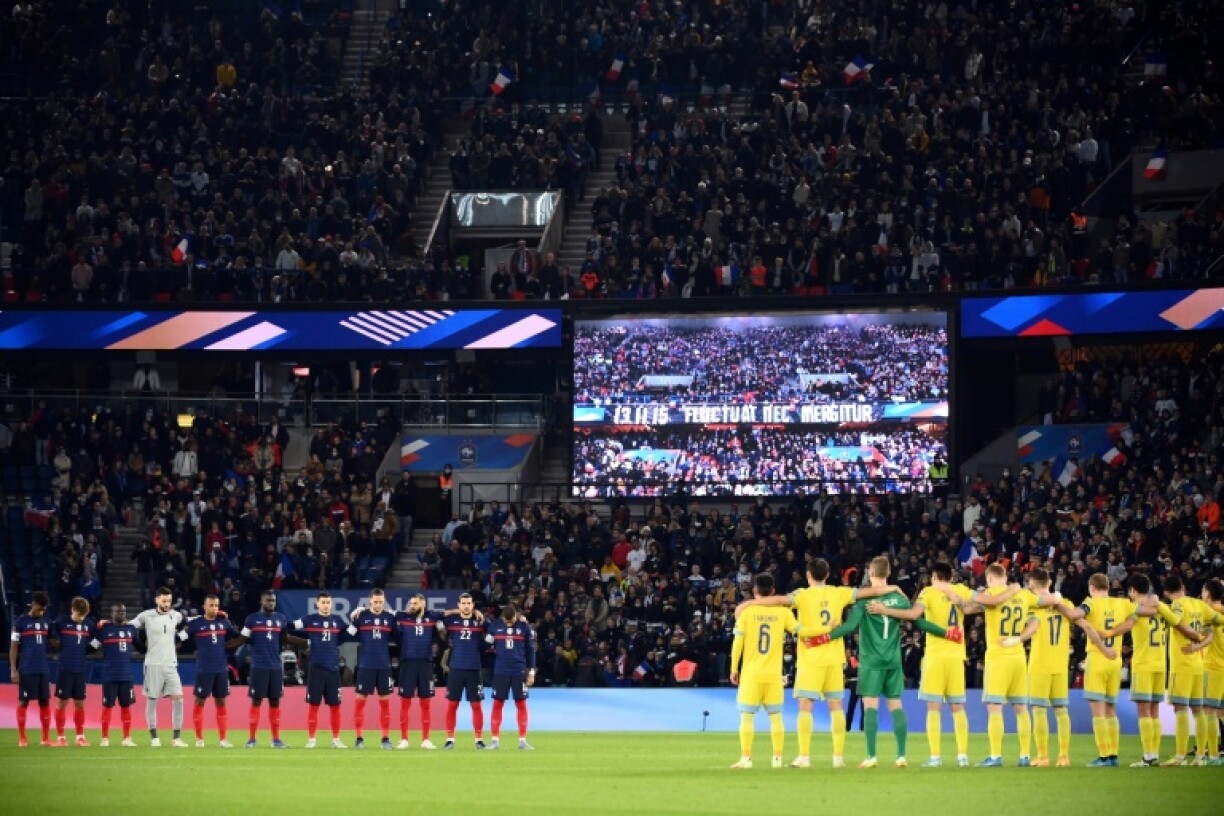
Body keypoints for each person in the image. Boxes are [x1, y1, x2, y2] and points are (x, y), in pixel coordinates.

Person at [734, 557, 895, 768]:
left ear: (808, 575)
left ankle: (804, 756)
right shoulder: (839, 592)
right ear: (827, 574)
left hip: (810, 659)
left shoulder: (801, 595)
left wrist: (748, 603)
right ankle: (838, 758)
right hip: (834, 658)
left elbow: (779, 600)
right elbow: (871, 592)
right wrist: (894, 588)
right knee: (836, 707)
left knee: (805, 707)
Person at [811, 556, 957, 768]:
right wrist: (946, 633)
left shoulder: (865, 600)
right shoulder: (899, 599)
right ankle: (901, 756)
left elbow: (849, 627)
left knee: (870, 706)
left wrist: (823, 638)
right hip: (893, 660)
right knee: (895, 705)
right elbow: (918, 621)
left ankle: (871, 756)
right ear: (888, 573)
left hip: (871, 661)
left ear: (871, 573)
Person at [1049, 572, 1137, 766]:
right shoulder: (1122, 603)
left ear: (1091, 588)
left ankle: (1104, 756)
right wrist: (1112, 632)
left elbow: (1074, 615)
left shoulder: (1091, 603)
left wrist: (1058, 604)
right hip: (1115, 660)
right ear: (1108, 587)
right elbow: (1132, 622)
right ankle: (1113, 755)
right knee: (1111, 709)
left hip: (1098, 658)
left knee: (1098, 711)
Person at [910, 562, 980, 767]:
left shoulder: (928, 592)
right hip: (957, 656)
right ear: (950, 577)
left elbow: (915, 614)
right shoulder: (960, 590)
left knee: (934, 707)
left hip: (935, 656)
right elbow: (981, 604)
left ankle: (935, 757)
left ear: (934, 577)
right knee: (958, 707)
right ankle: (963, 756)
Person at [728, 573, 799, 769]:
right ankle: (777, 759)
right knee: (776, 717)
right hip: (774, 675)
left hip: (751, 674)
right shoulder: (783, 613)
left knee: (746, 717)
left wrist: (734, 668)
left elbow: (737, 644)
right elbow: (800, 632)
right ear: (773, 591)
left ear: (754, 591)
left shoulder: (746, 613)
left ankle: (746, 759)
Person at [1122, 574, 1188, 766]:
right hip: (1161, 665)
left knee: (1144, 711)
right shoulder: (1161, 608)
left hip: (1143, 665)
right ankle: (1154, 754)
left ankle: (1148, 756)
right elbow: (1175, 620)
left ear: (1133, 590)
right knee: (1154, 711)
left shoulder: (1134, 608)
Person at [234, 589, 305, 748]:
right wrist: (224, 645)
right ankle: (252, 740)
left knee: (275, 702)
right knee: (256, 701)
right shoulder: (252, 619)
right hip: (258, 666)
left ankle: (276, 740)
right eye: (268, 600)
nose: (271, 603)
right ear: (262, 601)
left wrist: (306, 642)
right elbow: (242, 639)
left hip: (275, 667)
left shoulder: (281, 618)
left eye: (273, 600)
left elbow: (287, 637)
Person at [1160, 575, 1217, 765]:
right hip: (1198, 665)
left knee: (1180, 709)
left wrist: (1162, 609)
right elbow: (1213, 627)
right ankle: (1200, 756)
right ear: (1183, 586)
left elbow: (1175, 620)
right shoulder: (1200, 605)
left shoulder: (1177, 605)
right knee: (1198, 711)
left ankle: (1180, 756)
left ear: (1166, 593)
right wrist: (1198, 645)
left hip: (1182, 665)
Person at [179, 594, 239, 747]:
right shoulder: (196, 624)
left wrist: (232, 643)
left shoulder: (224, 623)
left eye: (216, 605)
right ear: (204, 607)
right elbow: (181, 638)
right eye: (211, 605)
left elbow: (238, 637)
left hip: (221, 669)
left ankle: (223, 739)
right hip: (204, 669)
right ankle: (199, 739)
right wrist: (179, 629)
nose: (214, 608)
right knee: (200, 700)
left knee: (221, 701)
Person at [132, 586, 188, 747]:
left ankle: (176, 738)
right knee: (152, 701)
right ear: (157, 600)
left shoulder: (175, 615)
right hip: (153, 664)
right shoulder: (146, 616)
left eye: (169, 601)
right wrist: (108, 623)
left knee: (179, 700)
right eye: (164, 601)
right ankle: (154, 738)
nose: (167, 604)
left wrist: (216, 615)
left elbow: (190, 622)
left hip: (171, 664)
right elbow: (128, 626)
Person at [293, 591, 348, 748]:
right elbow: (291, 626)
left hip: (333, 669)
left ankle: (336, 739)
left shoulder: (338, 621)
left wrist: (357, 615)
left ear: (331, 604)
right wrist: (304, 642)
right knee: (314, 705)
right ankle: (312, 739)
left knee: (335, 705)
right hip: (316, 668)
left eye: (328, 603)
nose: (325, 605)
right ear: (317, 604)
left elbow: (350, 633)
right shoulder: (309, 619)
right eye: (323, 603)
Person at [348, 588, 397, 748]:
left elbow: (400, 635)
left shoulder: (390, 617)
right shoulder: (361, 617)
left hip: (384, 666)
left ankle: (385, 739)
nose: (378, 604)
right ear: (369, 601)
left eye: (381, 602)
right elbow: (348, 634)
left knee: (385, 704)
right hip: (365, 666)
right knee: (360, 703)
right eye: (375, 601)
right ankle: (359, 738)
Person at [485, 603, 536, 750]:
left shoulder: (524, 627)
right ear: (502, 617)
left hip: (519, 671)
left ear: (516, 616)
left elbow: (531, 651)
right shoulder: (494, 626)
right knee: (497, 704)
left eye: (511, 620)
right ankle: (494, 740)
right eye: (506, 621)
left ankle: (522, 740)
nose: (509, 623)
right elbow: (485, 646)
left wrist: (531, 672)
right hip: (501, 671)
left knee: (521, 704)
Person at [440, 592, 487, 749]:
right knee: (452, 705)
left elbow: (497, 626)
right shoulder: (451, 620)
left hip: (474, 668)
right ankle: (450, 739)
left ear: (473, 605)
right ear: (459, 605)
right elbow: (435, 616)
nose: (466, 606)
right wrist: (455, 611)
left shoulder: (480, 622)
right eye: (463, 603)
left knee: (476, 705)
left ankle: (478, 739)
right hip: (456, 668)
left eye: (469, 604)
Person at [394, 593, 440, 749]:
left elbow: (449, 613)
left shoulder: (432, 617)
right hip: (408, 664)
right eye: (411, 603)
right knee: (405, 702)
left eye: (415, 603)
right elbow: (382, 612)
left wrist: (475, 611)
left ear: (423, 604)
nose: (412, 606)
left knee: (425, 703)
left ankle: (426, 739)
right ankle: (404, 739)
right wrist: (360, 609)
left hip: (425, 664)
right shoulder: (402, 617)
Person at [9, 591, 54, 747]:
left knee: (45, 702)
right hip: (27, 668)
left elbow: (53, 641)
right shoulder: (20, 622)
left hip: (43, 668)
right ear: (33, 604)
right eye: (39, 609)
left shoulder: (47, 621)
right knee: (23, 702)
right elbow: (14, 646)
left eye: (43, 610)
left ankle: (45, 739)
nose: (41, 612)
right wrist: (13, 669)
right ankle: (22, 738)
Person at [51, 596, 94, 746]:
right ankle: (61, 737)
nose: (81, 618)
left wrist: (88, 649)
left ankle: (80, 737)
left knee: (80, 704)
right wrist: (54, 642)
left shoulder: (89, 624)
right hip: (65, 669)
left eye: (84, 615)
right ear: (72, 609)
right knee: (62, 703)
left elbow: (98, 637)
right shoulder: (61, 622)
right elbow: (50, 631)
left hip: (80, 670)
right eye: (79, 614)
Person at [94, 604, 138, 746]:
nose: (121, 614)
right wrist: (96, 627)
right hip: (110, 676)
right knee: (107, 707)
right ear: (112, 614)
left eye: (123, 611)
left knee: (126, 707)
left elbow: (141, 647)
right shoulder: (104, 630)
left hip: (126, 676)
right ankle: (105, 738)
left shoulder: (131, 629)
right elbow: (92, 646)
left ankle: (127, 738)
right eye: (118, 611)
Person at [1201, 579, 1224, 765]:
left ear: (1207, 593)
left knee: (1209, 710)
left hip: (1213, 666)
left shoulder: (1208, 613)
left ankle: (1214, 756)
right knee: (1221, 711)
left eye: (1203, 590)